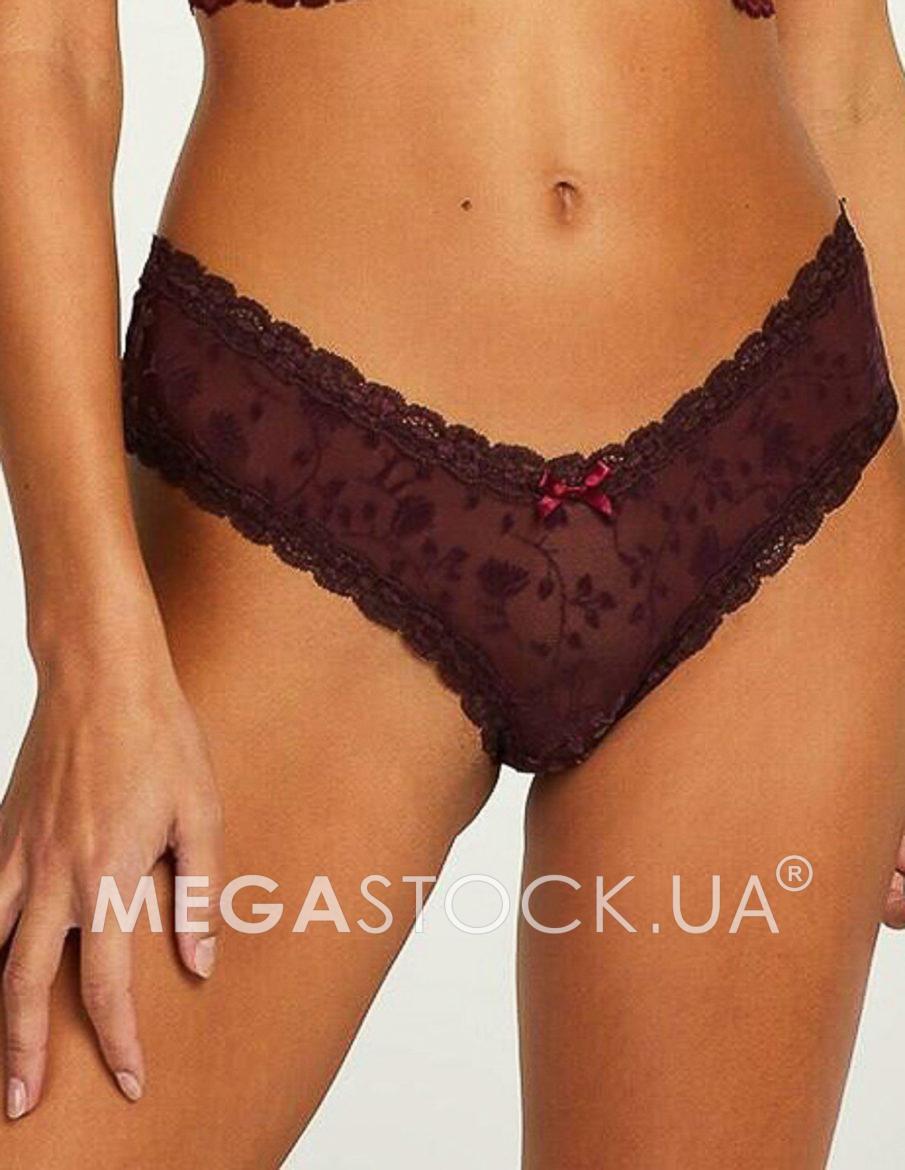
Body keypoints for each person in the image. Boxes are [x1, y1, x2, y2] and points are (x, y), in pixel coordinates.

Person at [1, 1, 904, 1165]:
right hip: (305, 483)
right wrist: (89, 658)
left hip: (779, 463)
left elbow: (844, 67)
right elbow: (37, 59)